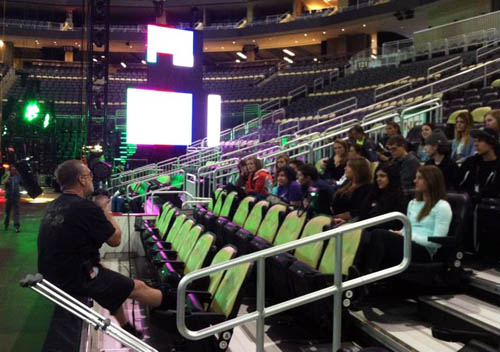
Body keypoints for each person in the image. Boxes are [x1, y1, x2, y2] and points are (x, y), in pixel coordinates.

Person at [37, 160, 174, 339]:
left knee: (107, 279)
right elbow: (116, 240)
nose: (92, 179)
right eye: (90, 176)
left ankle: (127, 328)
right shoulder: (86, 208)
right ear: (82, 180)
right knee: (138, 287)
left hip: (56, 274)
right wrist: (104, 210)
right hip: (75, 278)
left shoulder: (53, 206)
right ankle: (177, 308)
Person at [359, 165, 452, 274]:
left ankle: (368, 274)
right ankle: (357, 272)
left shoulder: (442, 206)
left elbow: (436, 242)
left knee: (379, 234)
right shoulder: (413, 203)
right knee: (366, 235)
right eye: (415, 177)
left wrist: (407, 236)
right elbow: (406, 228)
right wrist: (398, 233)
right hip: (408, 243)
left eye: (419, 178)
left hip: (424, 251)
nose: (415, 181)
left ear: (431, 181)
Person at [359, 162, 408, 230]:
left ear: (391, 177)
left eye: (382, 176)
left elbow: (396, 223)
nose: (378, 179)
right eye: (377, 176)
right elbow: (363, 214)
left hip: (382, 233)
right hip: (364, 228)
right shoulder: (374, 193)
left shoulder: (399, 197)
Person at [458, 128, 500, 198]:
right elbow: (458, 183)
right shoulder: (470, 162)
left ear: (491, 143)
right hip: (469, 204)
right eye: (475, 141)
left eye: (480, 141)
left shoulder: (498, 165)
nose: (476, 144)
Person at [331, 158, 372, 223]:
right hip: (335, 218)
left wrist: (337, 217)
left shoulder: (366, 188)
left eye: (348, 166)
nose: (345, 168)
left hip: (348, 223)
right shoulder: (347, 183)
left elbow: (358, 211)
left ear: (357, 170)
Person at [2, 165, 21, 232]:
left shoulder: (17, 177)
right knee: (7, 212)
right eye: (12, 170)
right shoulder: (7, 176)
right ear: (10, 171)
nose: (14, 171)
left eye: (15, 170)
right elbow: (3, 182)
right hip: (9, 197)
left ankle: (16, 226)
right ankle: (6, 224)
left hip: (16, 197)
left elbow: (21, 182)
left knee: (16, 212)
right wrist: (8, 175)